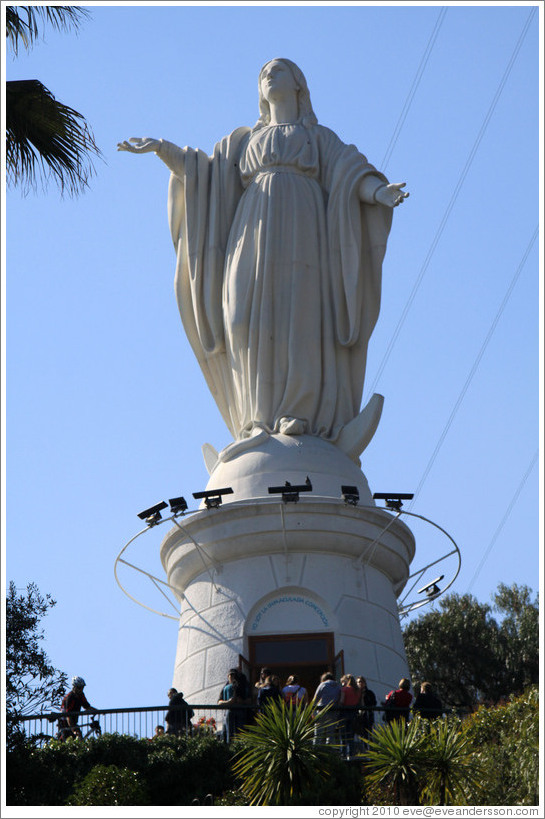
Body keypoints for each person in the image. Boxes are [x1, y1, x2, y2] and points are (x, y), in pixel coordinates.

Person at [118, 58, 408, 462]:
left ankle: (297, 413)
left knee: (299, 315)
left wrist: (380, 193)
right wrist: (163, 150)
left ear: (299, 85)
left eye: (280, 69)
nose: (269, 74)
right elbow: (205, 174)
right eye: (264, 72)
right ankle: (255, 418)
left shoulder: (318, 138)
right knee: (241, 316)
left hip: (305, 228)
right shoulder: (243, 142)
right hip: (251, 228)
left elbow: (351, 173)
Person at [57, 676, 99, 741]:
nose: (81, 690)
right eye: (79, 688)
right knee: (73, 737)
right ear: (74, 687)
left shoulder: (81, 695)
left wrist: (97, 711)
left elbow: (87, 706)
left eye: (82, 688)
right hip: (65, 721)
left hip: (73, 719)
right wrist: (73, 729)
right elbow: (68, 715)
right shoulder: (70, 697)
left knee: (78, 738)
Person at [218, 669, 249, 740]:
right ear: (228, 676)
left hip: (240, 711)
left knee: (240, 732)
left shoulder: (243, 686)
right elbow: (219, 702)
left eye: (234, 675)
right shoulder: (226, 687)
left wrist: (242, 701)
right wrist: (228, 702)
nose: (232, 677)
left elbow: (249, 699)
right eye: (231, 675)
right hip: (230, 711)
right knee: (230, 733)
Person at [313, 672, 342, 746]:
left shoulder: (323, 684)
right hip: (333, 710)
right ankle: (330, 751)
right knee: (331, 733)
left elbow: (316, 698)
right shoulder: (338, 686)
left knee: (318, 733)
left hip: (321, 710)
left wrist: (313, 711)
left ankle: (316, 750)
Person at [340, 674, 360, 755]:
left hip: (345, 712)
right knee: (351, 734)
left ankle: (344, 752)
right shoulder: (357, 690)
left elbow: (342, 701)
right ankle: (352, 752)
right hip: (354, 713)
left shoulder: (344, 689)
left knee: (343, 734)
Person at [355, 675, 377, 745]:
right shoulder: (355, 694)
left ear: (364, 683)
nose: (360, 683)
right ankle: (363, 748)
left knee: (369, 732)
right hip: (359, 716)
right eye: (358, 682)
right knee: (360, 733)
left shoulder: (369, 693)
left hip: (368, 715)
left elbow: (374, 703)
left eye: (361, 682)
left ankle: (370, 748)